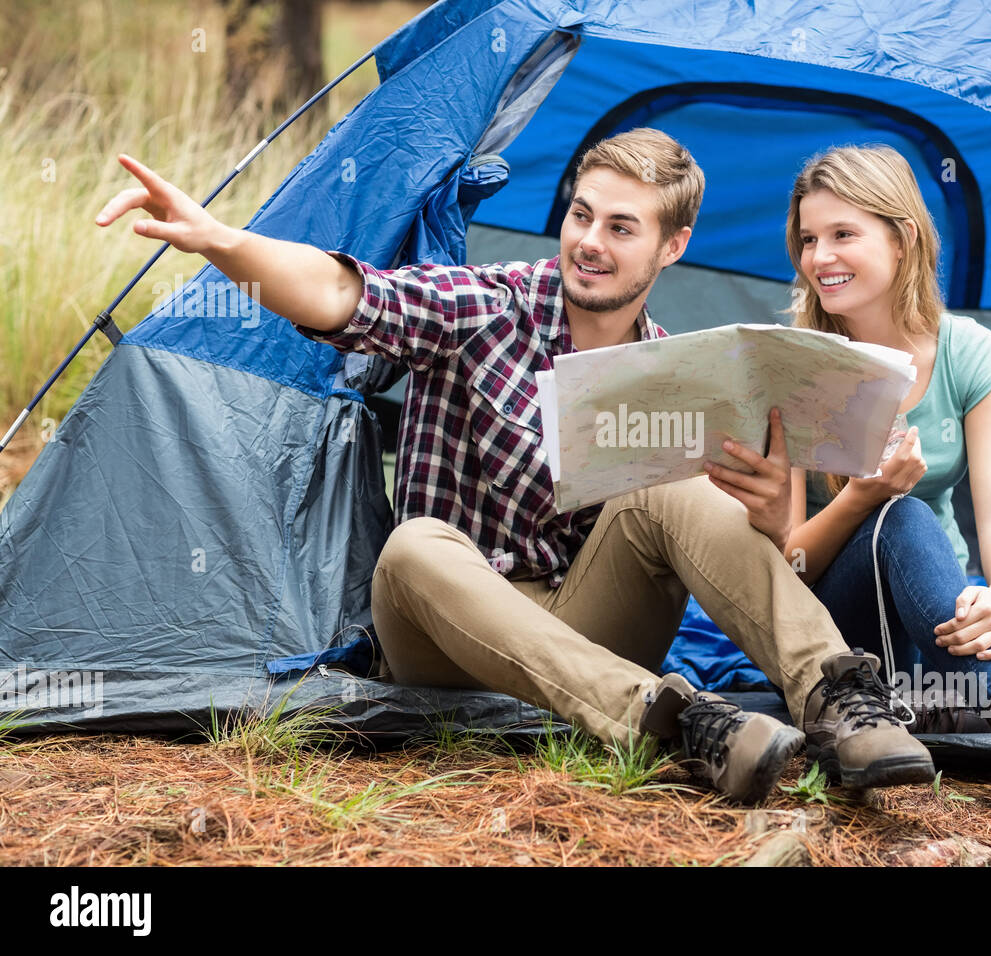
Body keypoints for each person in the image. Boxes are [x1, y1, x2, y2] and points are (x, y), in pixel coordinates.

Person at [93, 128, 937, 804]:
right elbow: (343, 297)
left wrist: (761, 514)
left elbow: (739, 543)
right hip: (448, 630)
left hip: (583, 625)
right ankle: (673, 723)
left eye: (620, 226)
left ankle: (836, 701)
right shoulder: (485, 306)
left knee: (676, 485)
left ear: (673, 246)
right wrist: (222, 241)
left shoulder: (677, 370)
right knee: (417, 543)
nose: (590, 243)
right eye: (580, 215)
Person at [703, 144, 991, 834]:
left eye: (842, 234)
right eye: (809, 239)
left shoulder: (973, 355)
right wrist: (863, 496)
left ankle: (942, 701)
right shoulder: (793, 366)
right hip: (835, 628)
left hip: (936, 625)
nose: (820, 257)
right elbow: (788, 562)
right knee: (903, 514)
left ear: (903, 237)